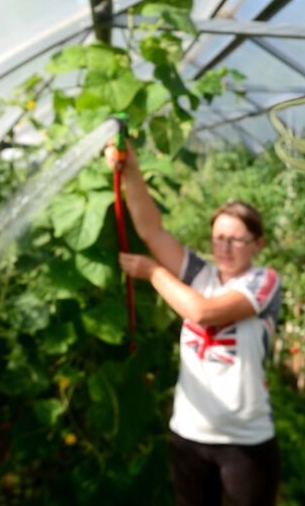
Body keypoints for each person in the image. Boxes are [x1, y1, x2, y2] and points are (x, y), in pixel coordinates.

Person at [110, 141, 282, 506]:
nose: (225, 247)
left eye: (236, 239)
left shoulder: (263, 282)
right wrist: (132, 171)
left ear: (258, 243)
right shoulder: (200, 275)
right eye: (219, 237)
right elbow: (151, 231)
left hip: (245, 442)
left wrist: (154, 272)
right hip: (189, 435)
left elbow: (202, 312)